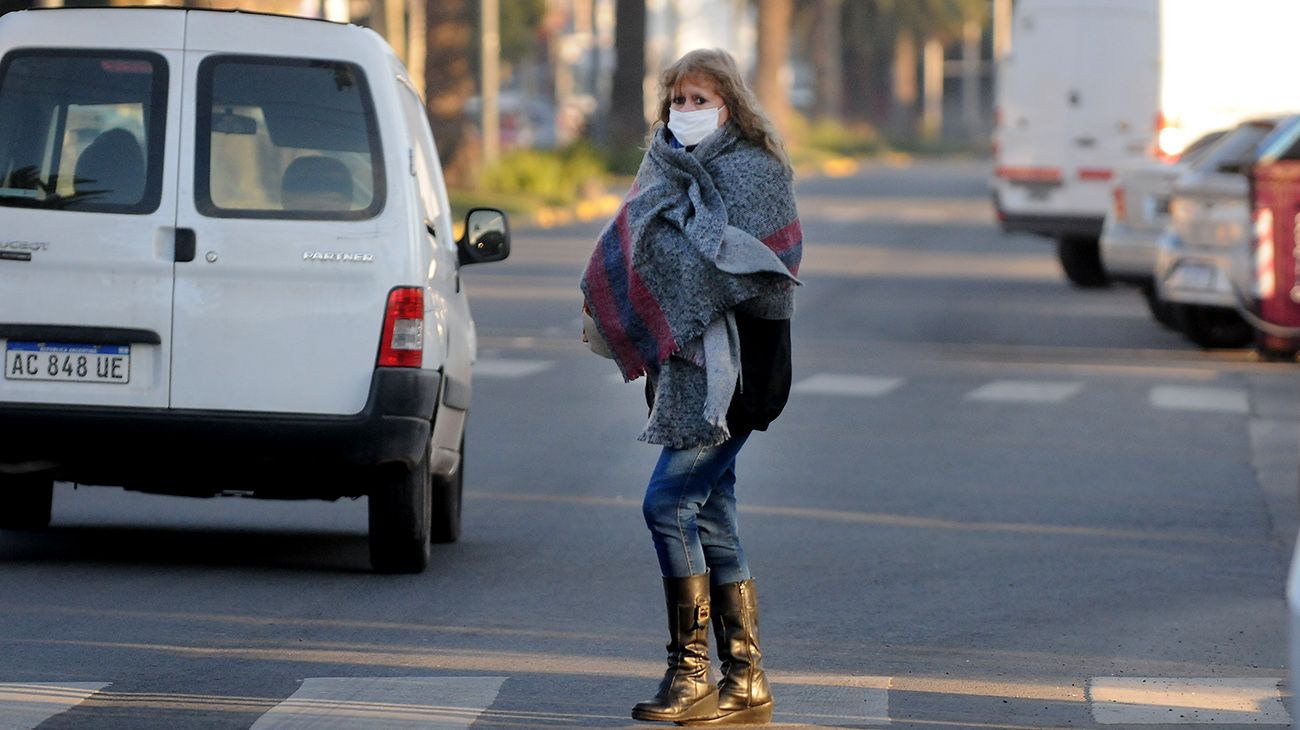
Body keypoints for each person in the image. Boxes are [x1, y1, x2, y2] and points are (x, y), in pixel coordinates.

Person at [580, 48, 802, 726]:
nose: (687, 111)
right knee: (710, 514)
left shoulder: (758, 172)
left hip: (740, 381)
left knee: (666, 503)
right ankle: (745, 678)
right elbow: (634, 246)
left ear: (730, 104)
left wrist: (684, 260)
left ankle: (691, 673)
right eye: (678, 100)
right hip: (683, 380)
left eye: (701, 99)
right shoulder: (661, 169)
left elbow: (762, 271)